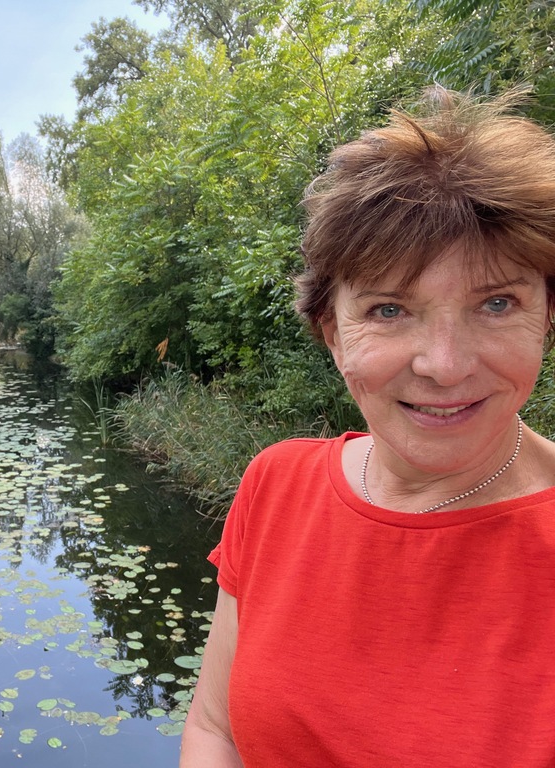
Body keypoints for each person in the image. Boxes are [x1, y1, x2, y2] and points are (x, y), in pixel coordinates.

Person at [179, 87, 555, 767]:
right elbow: (215, 727)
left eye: (497, 303)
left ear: (547, 318)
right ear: (333, 335)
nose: (445, 366)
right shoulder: (276, 484)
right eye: (388, 310)